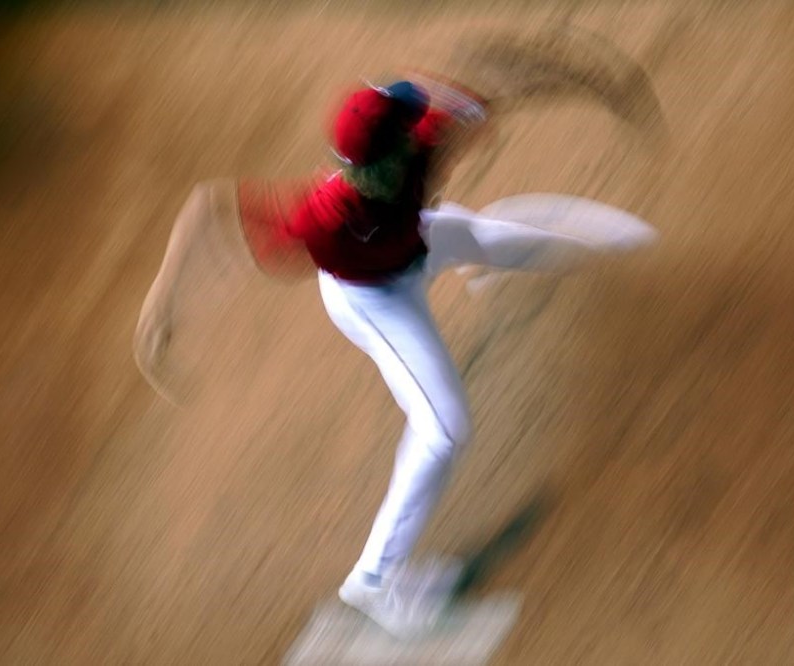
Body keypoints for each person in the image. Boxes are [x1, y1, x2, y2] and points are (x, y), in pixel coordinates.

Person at [134, 76, 641, 639]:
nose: (418, 123)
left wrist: (507, 104)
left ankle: (629, 255)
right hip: (373, 300)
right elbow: (209, 202)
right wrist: (162, 302)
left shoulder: (420, 139)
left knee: (484, 237)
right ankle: (373, 581)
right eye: (407, 124)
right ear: (381, 158)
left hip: (416, 243)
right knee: (444, 429)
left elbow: (476, 106)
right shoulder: (322, 217)